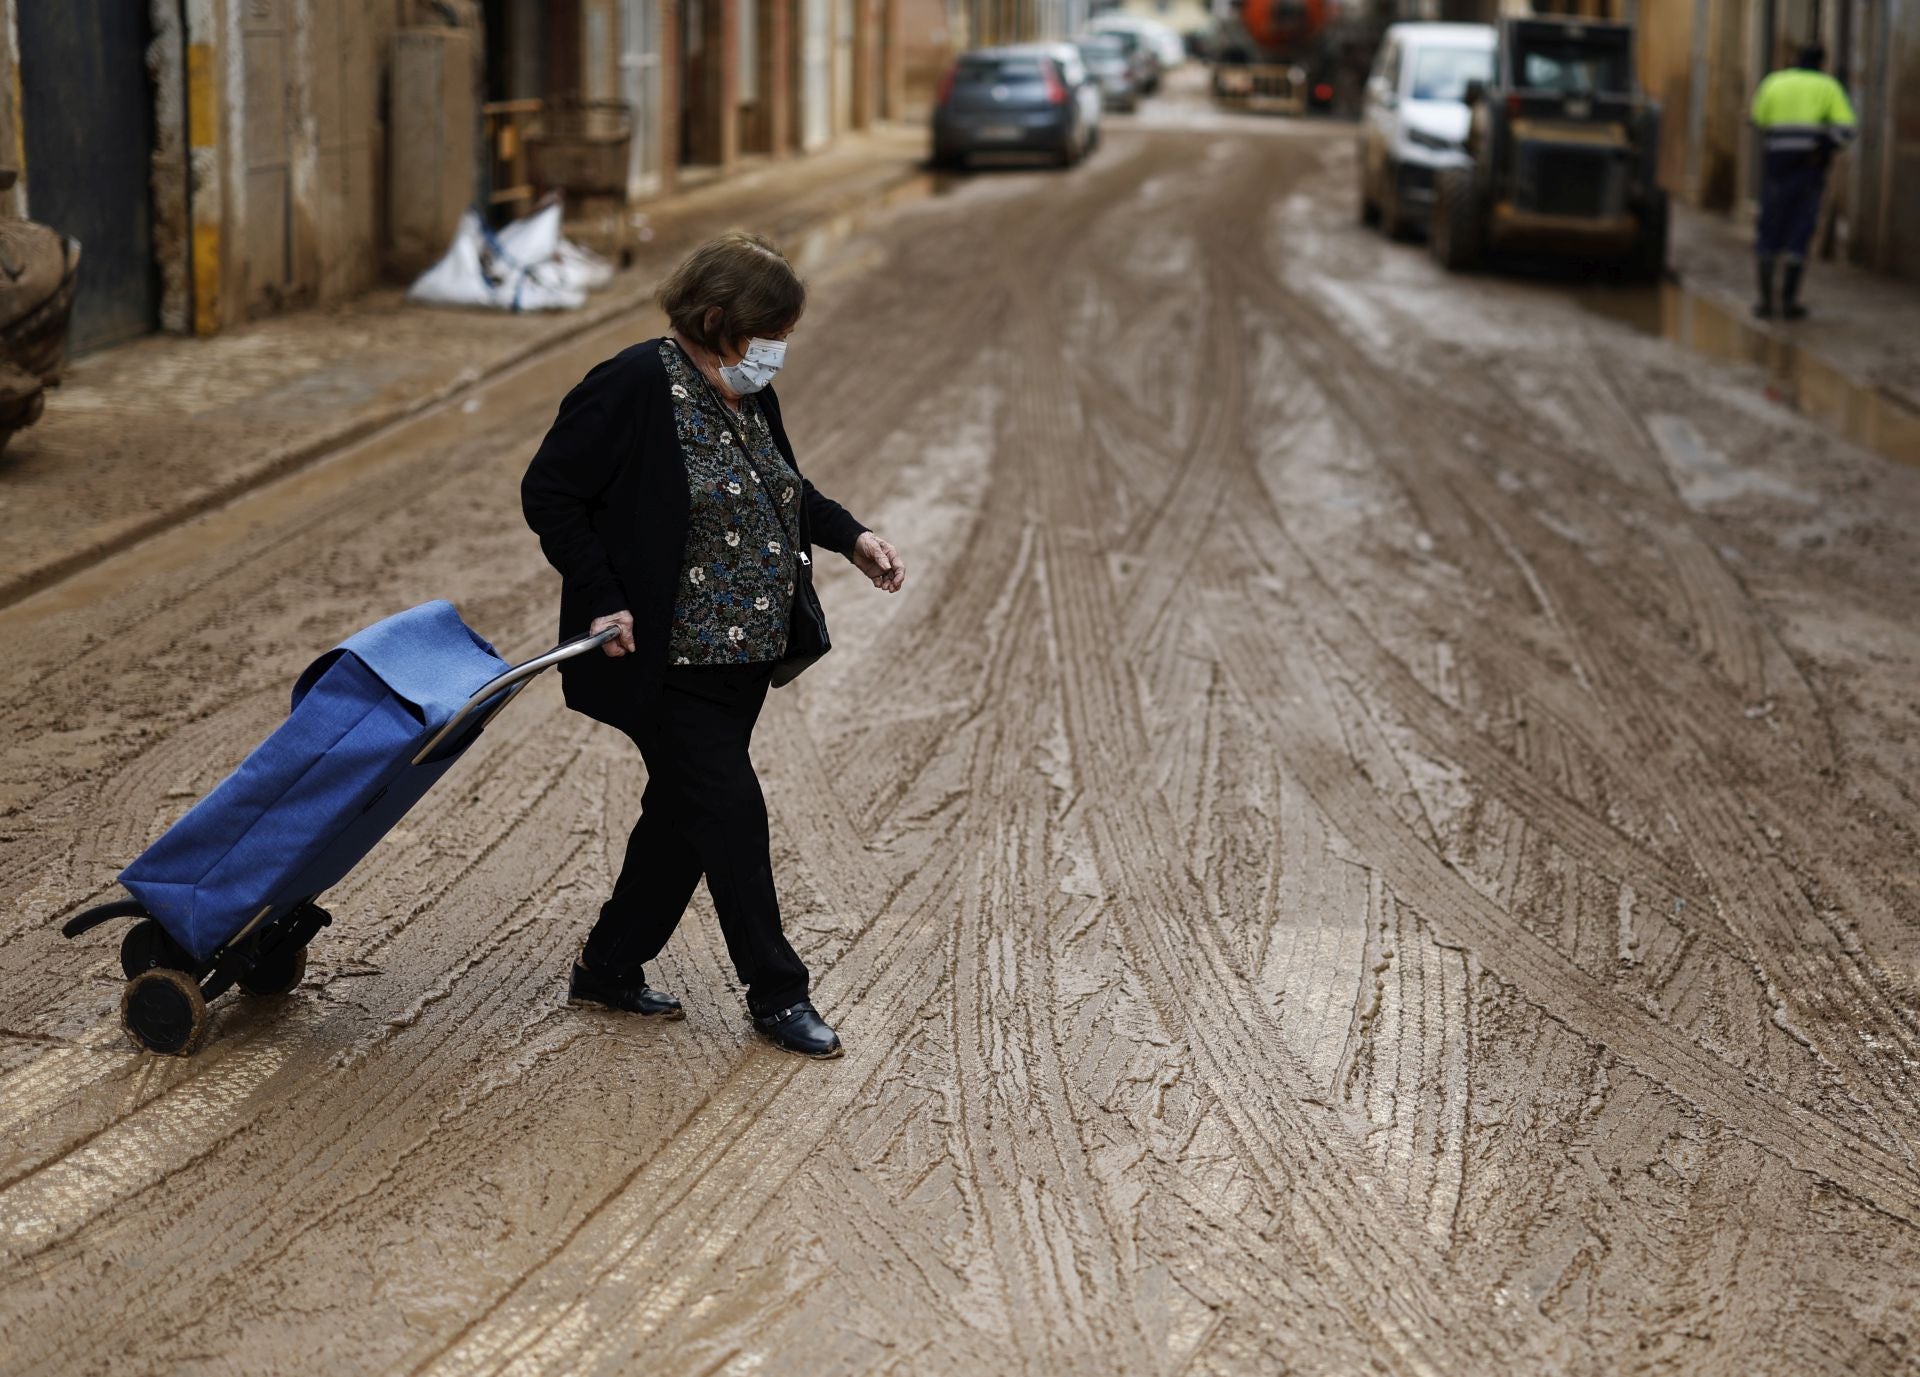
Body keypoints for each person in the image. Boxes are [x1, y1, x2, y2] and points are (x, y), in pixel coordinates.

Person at [520, 232, 906, 1059]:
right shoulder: (632, 383)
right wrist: (602, 596)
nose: (778, 351)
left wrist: (852, 536)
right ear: (717, 318)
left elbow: (783, 486)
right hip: (665, 660)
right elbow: (550, 491)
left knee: (684, 816)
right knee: (731, 810)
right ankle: (778, 991)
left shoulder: (745, 391)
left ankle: (609, 962)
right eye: (770, 333)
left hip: (742, 661)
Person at [1749, 44, 1856, 320]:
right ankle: (1788, 302)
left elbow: (1758, 118)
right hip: (1808, 170)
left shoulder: (1774, 82)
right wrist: (1823, 147)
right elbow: (1846, 129)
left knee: (1769, 228)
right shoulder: (1827, 87)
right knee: (1800, 229)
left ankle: (1764, 302)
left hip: (1776, 168)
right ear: (1822, 63)